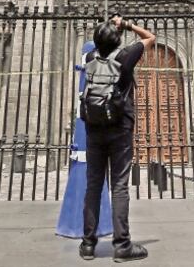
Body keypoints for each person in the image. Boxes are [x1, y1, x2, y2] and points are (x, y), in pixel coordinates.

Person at [81, 14, 155, 262]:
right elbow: (150, 37)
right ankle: (122, 245)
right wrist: (126, 24)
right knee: (119, 186)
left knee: (93, 185)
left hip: (93, 128)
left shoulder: (91, 57)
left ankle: (88, 244)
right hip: (120, 129)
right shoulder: (126, 56)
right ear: (118, 40)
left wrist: (107, 27)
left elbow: (99, 41)